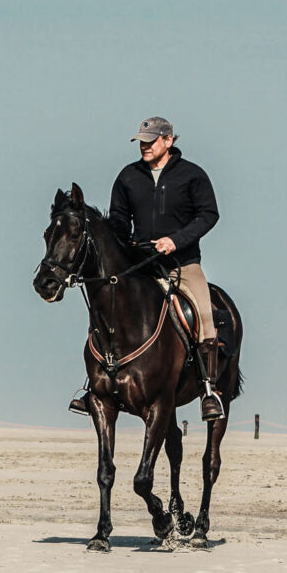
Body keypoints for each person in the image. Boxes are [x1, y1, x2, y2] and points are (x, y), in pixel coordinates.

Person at [71, 116, 224, 421]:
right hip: (140, 266)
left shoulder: (192, 175)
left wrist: (175, 241)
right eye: (141, 141)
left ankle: (209, 390)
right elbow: (118, 219)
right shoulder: (128, 177)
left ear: (168, 140)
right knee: (107, 310)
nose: (144, 146)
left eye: (151, 140)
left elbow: (209, 214)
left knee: (205, 315)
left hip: (182, 265)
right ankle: (93, 385)